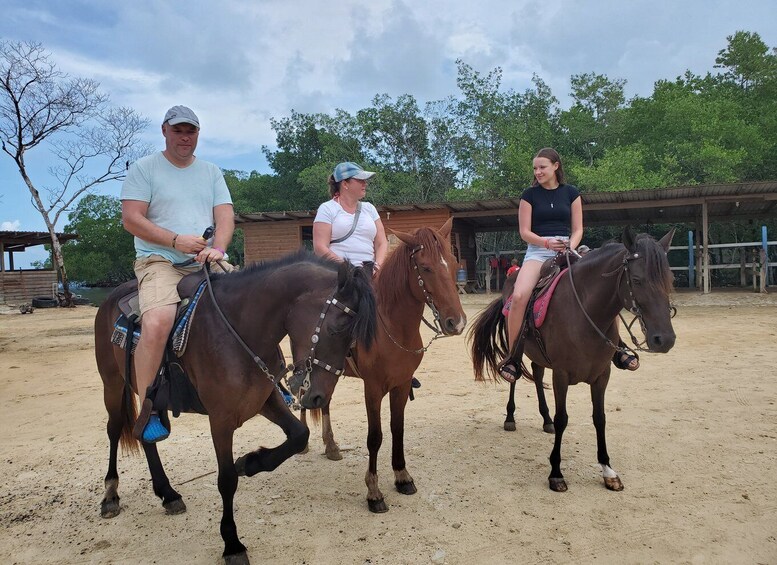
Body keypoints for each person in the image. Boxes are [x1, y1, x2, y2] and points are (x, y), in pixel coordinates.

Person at [121, 105, 234, 443]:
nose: (185, 137)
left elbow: (225, 217)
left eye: (191, 131)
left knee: (255, 302)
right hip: (159, 261)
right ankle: (149, 407)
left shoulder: (211, 171)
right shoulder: (144, 169)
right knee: (157, 322)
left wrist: (219, 248)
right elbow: (132, 219)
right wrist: (174, 240)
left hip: (205, 260)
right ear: (165, 131)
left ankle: (269, 381)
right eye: (179, 130)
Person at [311, 163, 424, 389]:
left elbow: (381, 241)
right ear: (345, 184)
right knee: (344, 312)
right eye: (360, 180)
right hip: (340, 273)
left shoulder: (370, 209)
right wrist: (347, 268)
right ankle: (332, 358)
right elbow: (320, 247)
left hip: (371, 270)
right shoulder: (327, 209)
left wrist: (379, 265)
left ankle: (400, 363)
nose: (365, 184)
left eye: (365, 180)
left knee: (397, 307)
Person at [499, 148, 582, 382]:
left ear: (556, 166)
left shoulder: (571, 193)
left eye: (542, 167)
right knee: (519, 296)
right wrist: (546, 243)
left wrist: (570, 246)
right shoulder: (529, 195)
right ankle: (513, 356)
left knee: (603, 280)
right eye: (535, 168)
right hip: (538, 251)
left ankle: (618, 346)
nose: (538, 172)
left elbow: (578, 229)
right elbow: (524, 232)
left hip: (568, 249)